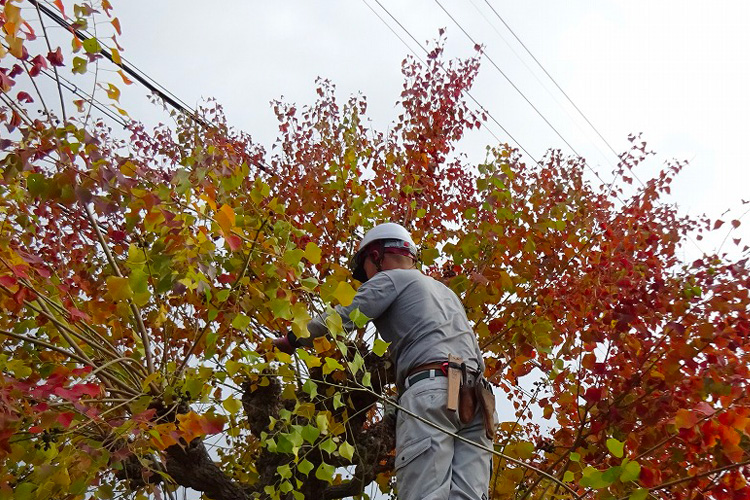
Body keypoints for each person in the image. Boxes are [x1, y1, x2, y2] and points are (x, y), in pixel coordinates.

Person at [274, 222, 492, 500]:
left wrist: (293, 339)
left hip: (434, 392)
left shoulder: (392, 278)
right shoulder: (447, 294)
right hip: (478, 400)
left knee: (424, 494)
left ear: (376, 256)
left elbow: (345, 317)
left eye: (364, 268)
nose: (365, 279)